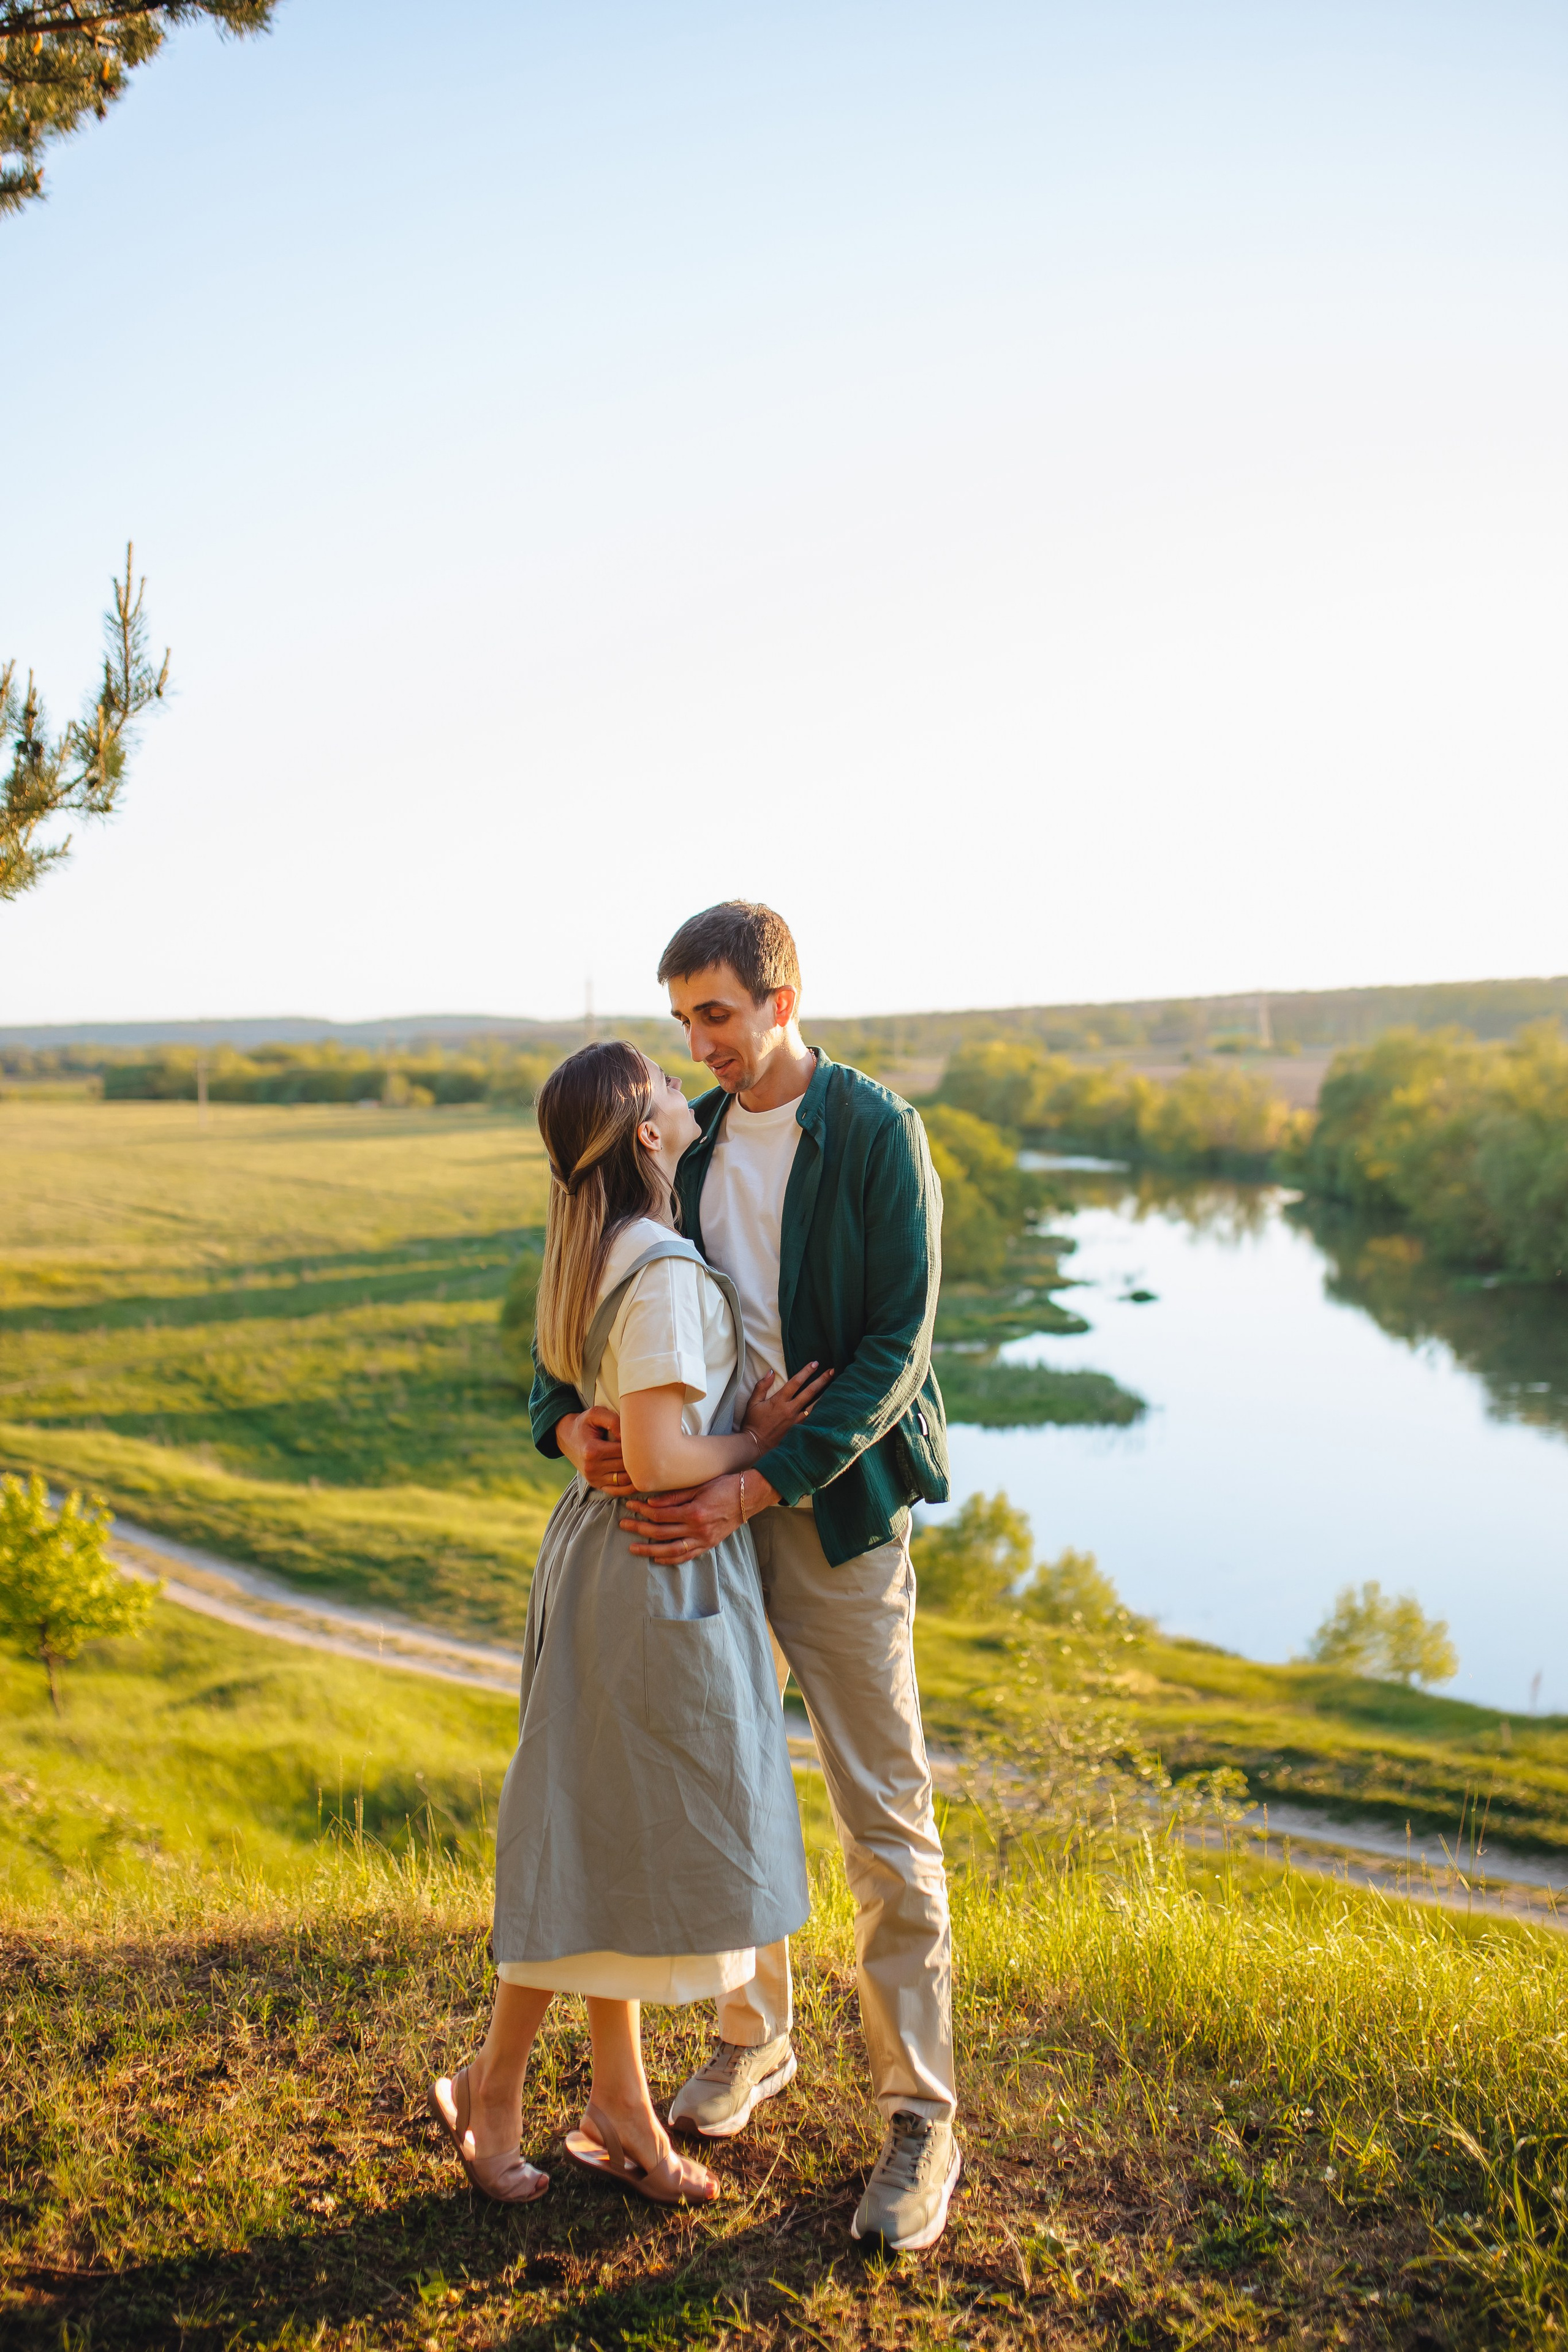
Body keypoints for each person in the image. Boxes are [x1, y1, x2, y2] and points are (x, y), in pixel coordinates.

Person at [532, 902, 961, 2253]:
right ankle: (751, 2039)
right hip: (700, 1520)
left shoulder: (875, 1132)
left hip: (825, 1515)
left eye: (716, 1013)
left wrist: (750, 1483)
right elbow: (582, 1302)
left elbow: (894, 1351)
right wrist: (568, 1424)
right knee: (729, 1776)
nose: (699, 1043)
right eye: (684, 1022)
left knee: (879, 1810)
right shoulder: (690, 1142)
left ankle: (918, 2117)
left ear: (782, 998)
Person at [429, 1039, 823, 2208]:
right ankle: (496, 2087)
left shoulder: (597, 1247)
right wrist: (760, 1436)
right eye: (663, 1084)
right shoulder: (657, 1270)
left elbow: (623, 1427)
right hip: (649, 1569)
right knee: (601, 1836)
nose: (681, 1089)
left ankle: (619, 2107)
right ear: (649, 1134)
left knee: (604, 1834)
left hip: (608, 1562)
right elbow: (656, 1458)